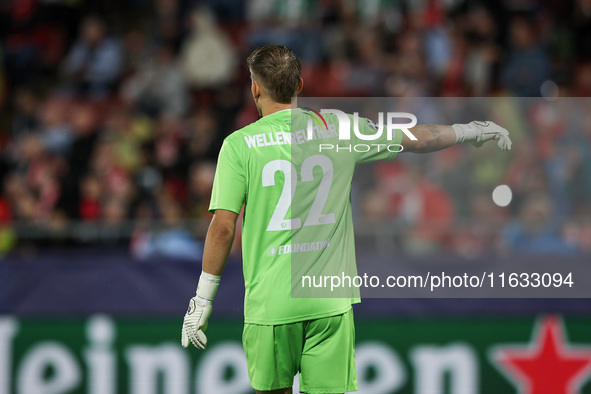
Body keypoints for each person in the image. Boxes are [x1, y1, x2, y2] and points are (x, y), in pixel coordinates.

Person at [181, 45, 511, 394]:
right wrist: (471, 130)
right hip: (328, 302)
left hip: (271, 302)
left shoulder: (239, 145)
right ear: (300, 85)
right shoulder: (340, 127)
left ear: (255, 89)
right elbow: (420, 138)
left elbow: (222, 228)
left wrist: (203, 300)